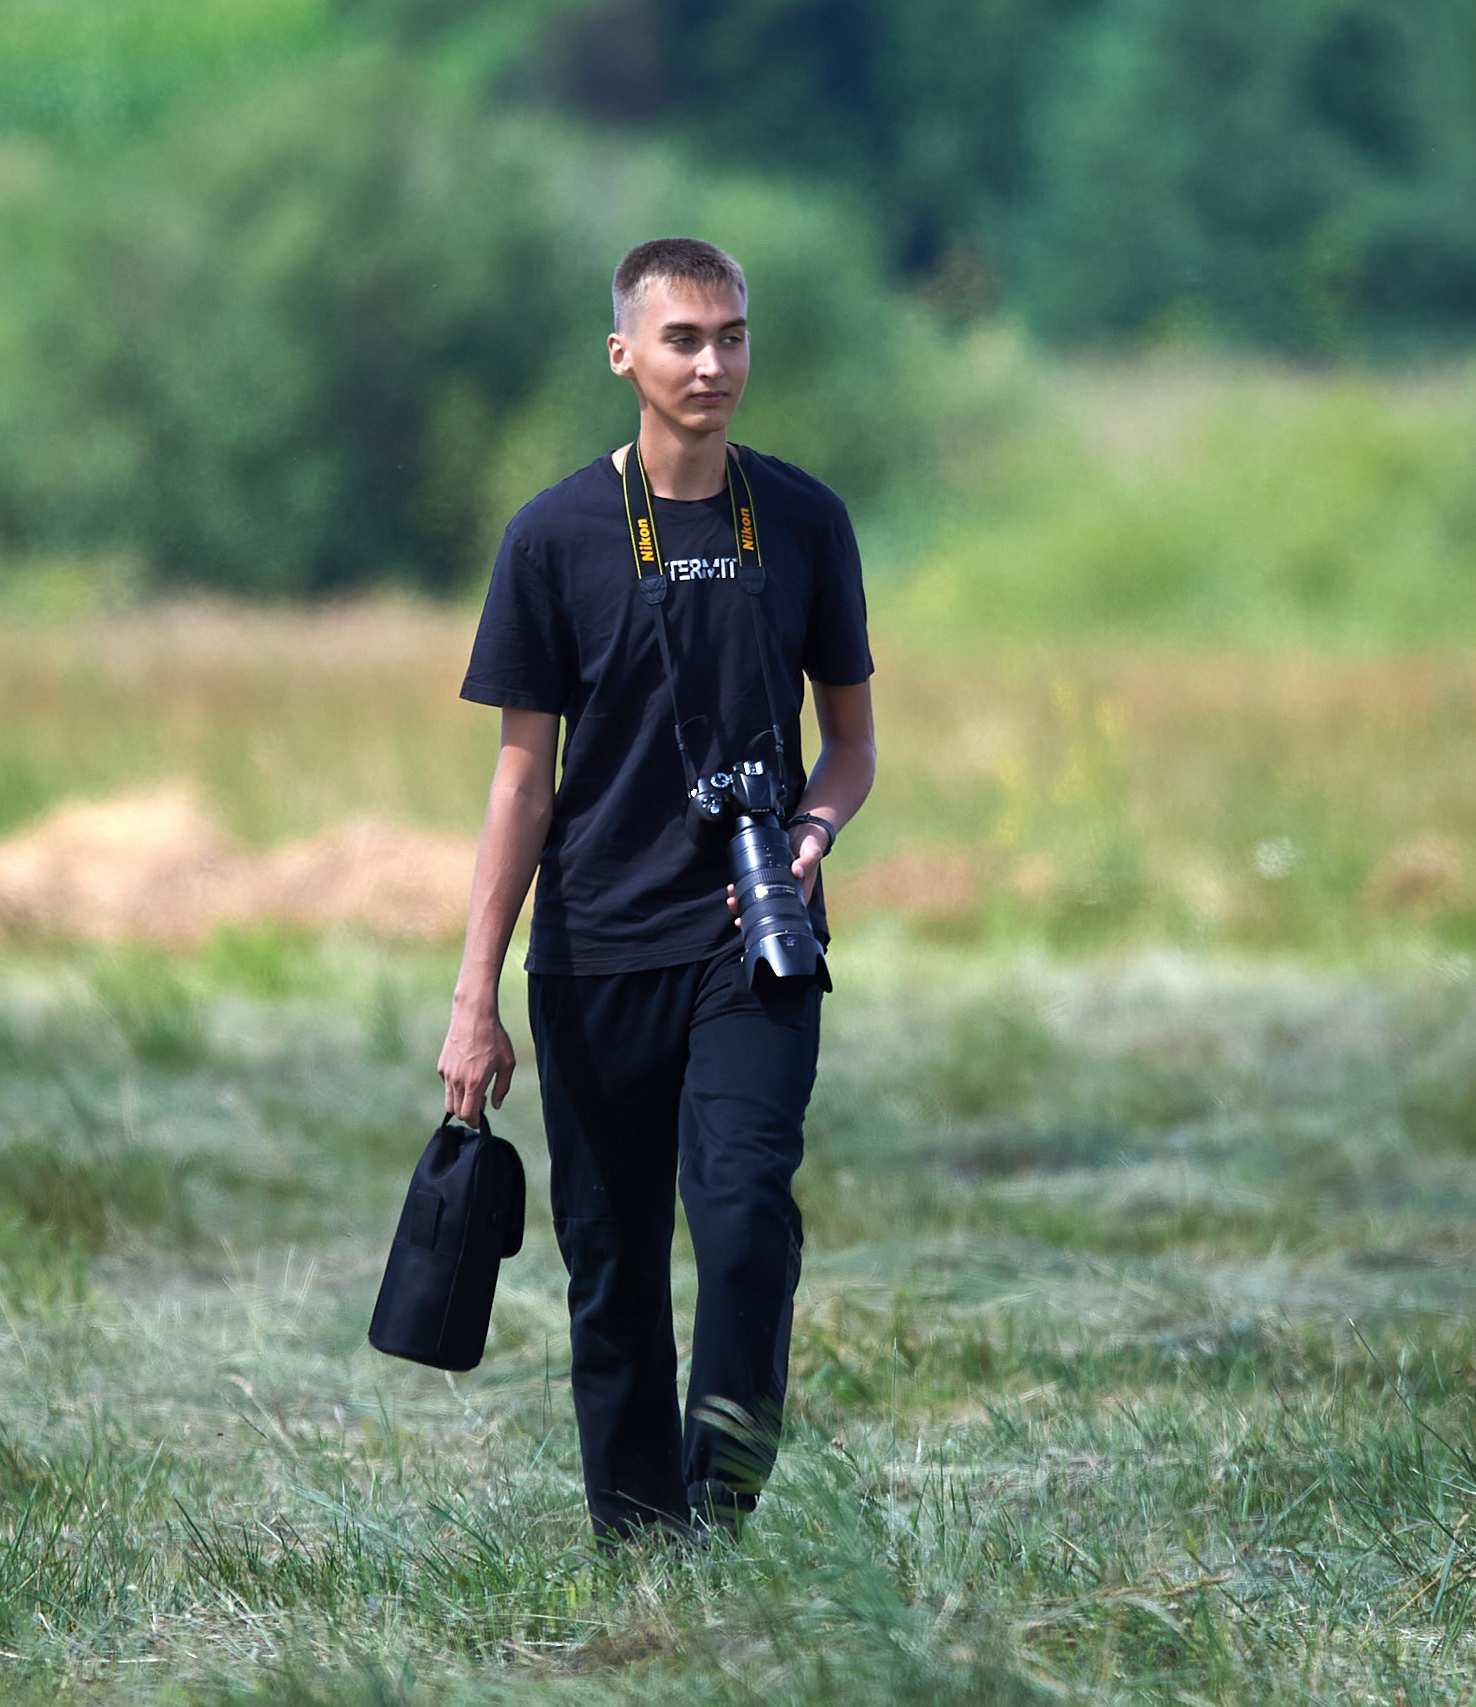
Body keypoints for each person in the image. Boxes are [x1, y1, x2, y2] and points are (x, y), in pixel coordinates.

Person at [436, 237, 877, 1543]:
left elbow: (851, 744)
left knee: (744, 1222)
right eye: (684, 339)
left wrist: (812, 829)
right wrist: (475, 1001)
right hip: (590, 955)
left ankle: (719, 1511)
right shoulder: (556, 535)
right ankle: (641, 1560)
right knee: (615, 1275)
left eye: (732, 337)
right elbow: (522, 783)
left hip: (754, 946)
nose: (713, 363)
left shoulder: (803, 522)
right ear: (625, 354)